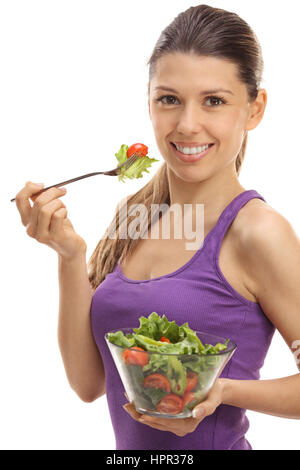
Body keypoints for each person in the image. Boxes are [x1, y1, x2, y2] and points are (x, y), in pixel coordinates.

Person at [14, 4, 300, 451]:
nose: (187, 125)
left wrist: (223, 390)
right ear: (149, 101)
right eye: (169, 99)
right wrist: (70, 256)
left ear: (254, 109)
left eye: (214, 101)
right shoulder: (138, 214)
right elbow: (89, 383)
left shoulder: (257, 232)